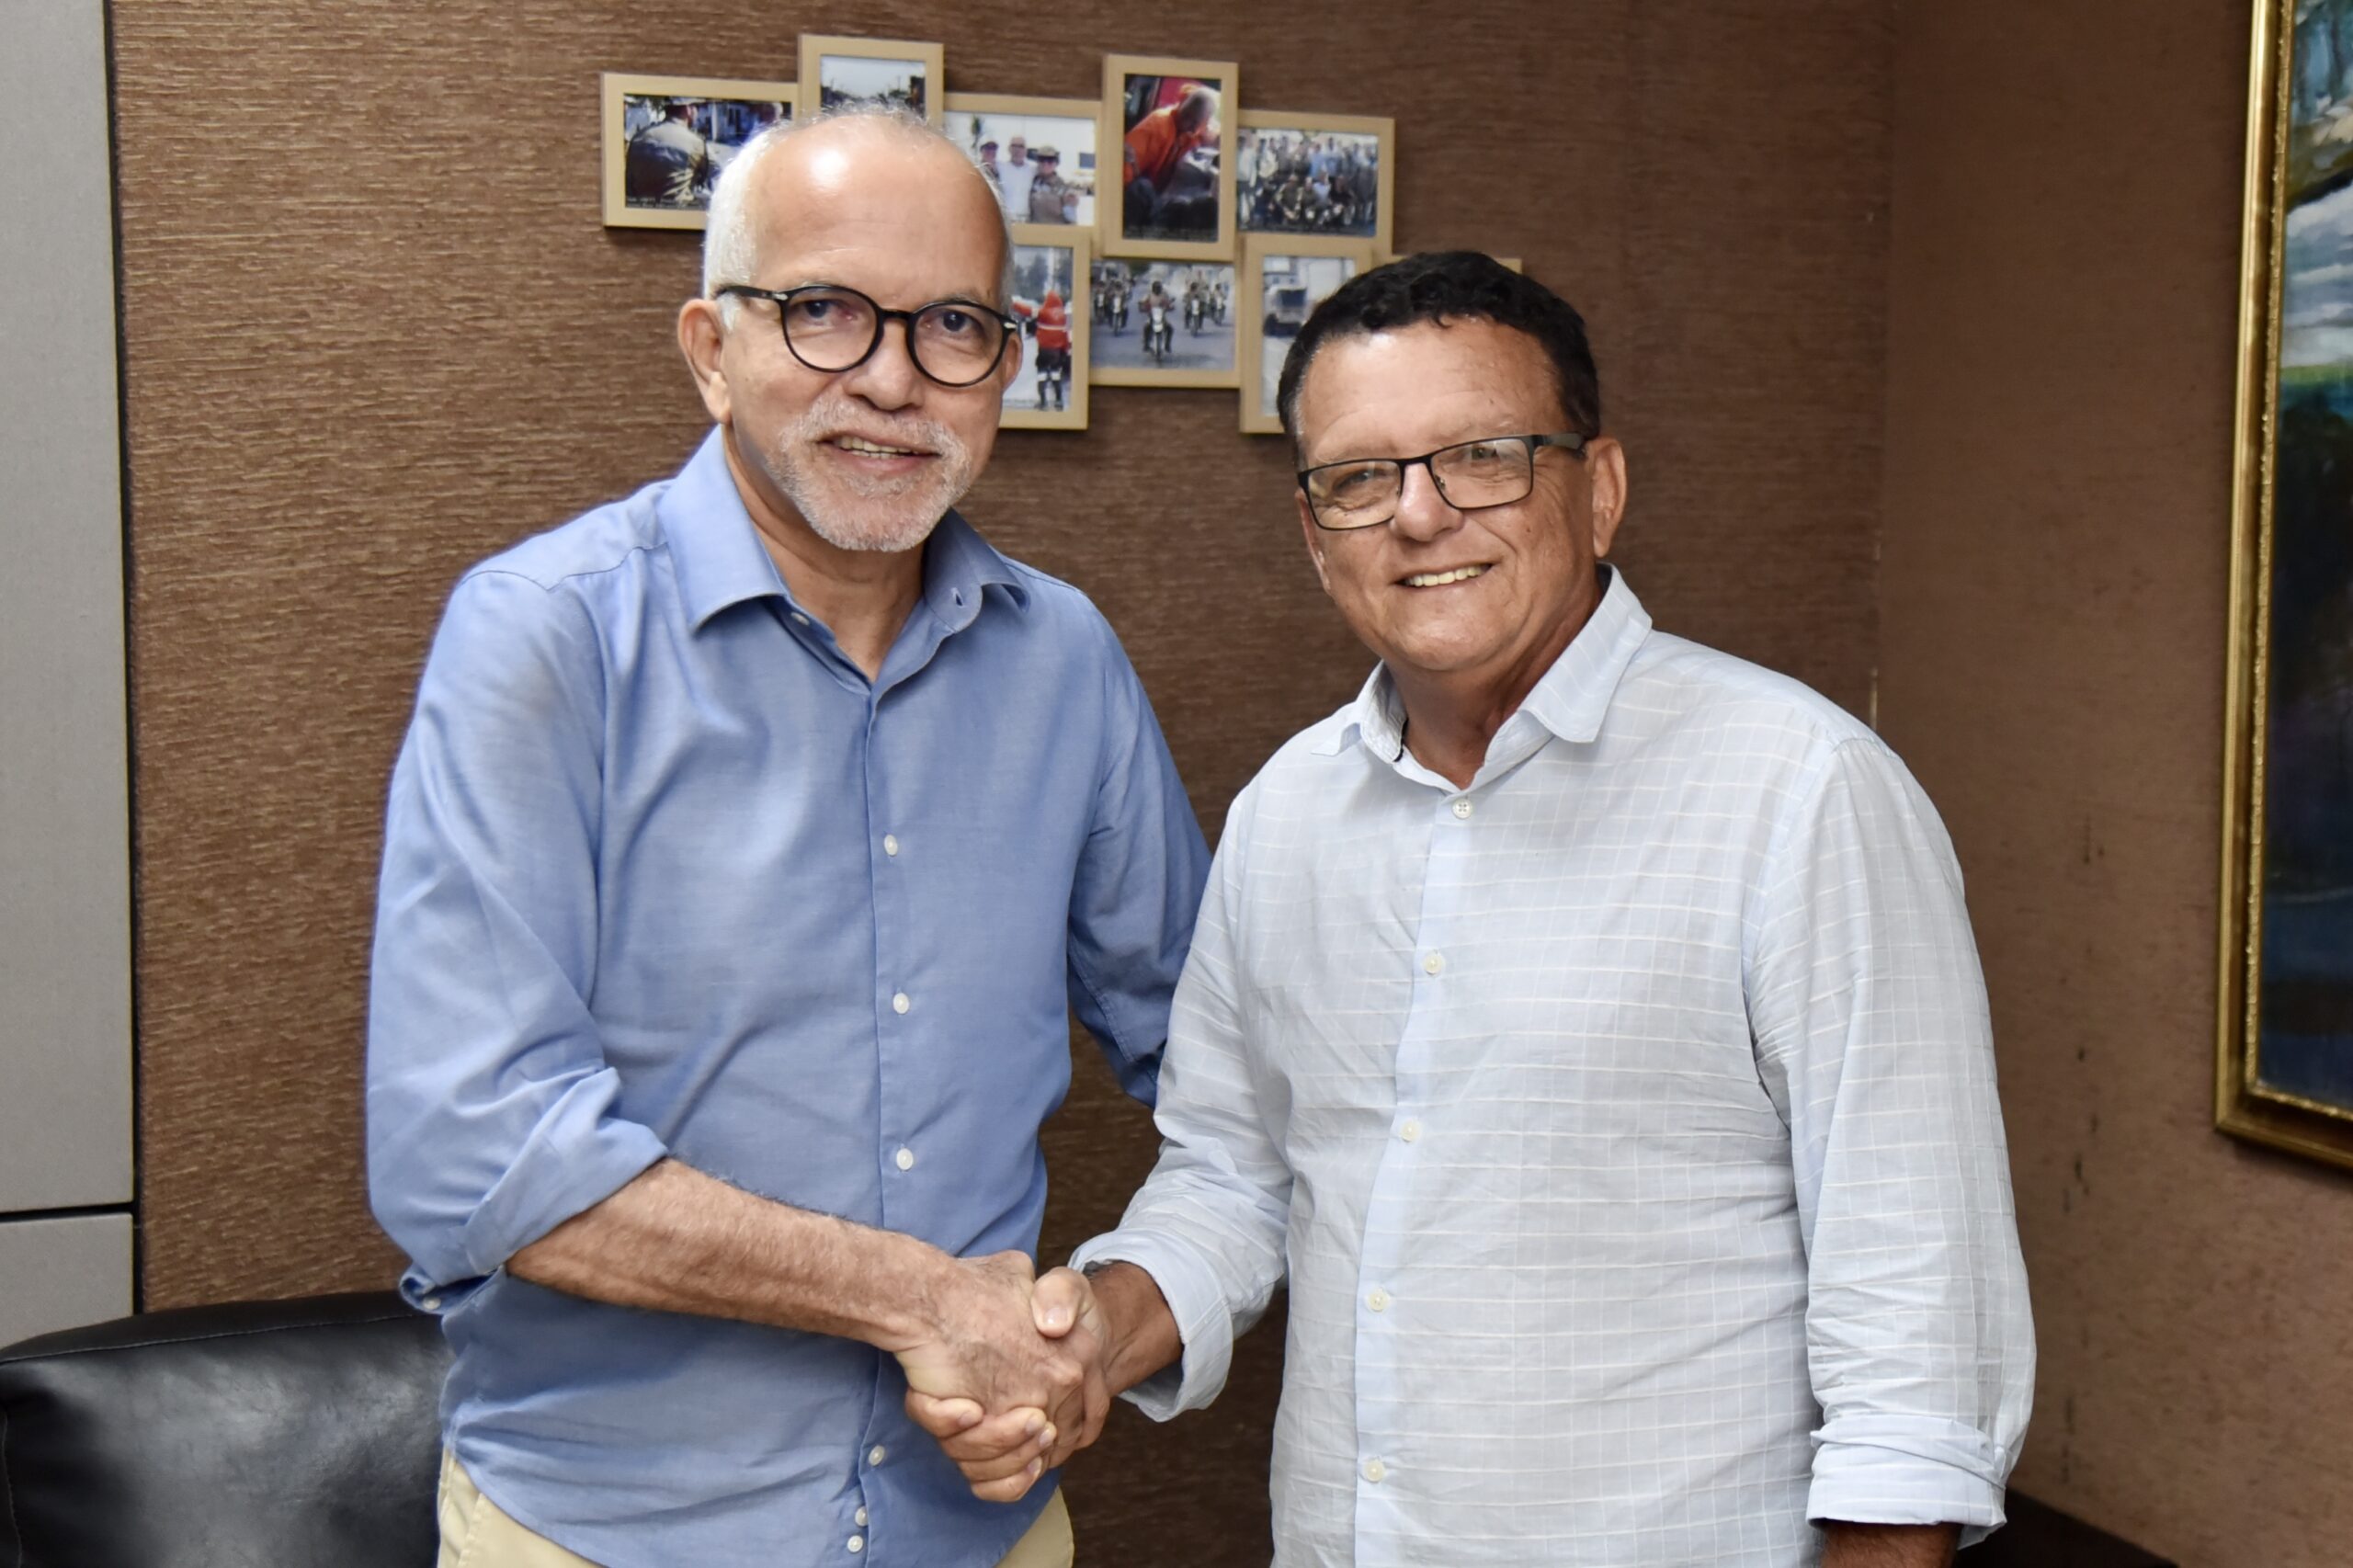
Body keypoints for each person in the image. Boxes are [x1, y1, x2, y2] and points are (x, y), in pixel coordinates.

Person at [914, 251, 2035, 1567]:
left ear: (1599, 489)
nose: (1420, 515)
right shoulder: (1287, 814)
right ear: (1315, 533)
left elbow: (1915, 1313)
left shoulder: (1802, 791)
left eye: (1483, 458)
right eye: (1359, 477)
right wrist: (1094, 1332)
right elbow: (1232, 1176)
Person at [369, 105, 1210, 1568]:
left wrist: (1104, 1326)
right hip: (611, 1538)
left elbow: (1224, 1069)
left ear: (1003, 366)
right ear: (712, 348)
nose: (892, 379)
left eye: (954, 326)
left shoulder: (1066, 659)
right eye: (824, 311)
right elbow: (470, 1147)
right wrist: (920, 1299)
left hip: (982, 1530)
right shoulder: (547, 637)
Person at [1122, 85, 1218, 233]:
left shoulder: (1193, 133)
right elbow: (1123, 167)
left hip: (1161, 200)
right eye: (1192, 121)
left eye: (1199, 124)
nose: (1194, 129)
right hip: (1139, 198)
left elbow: (1213, 137)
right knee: (1142, 187)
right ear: (1184, 110)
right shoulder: (1156, 125)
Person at [625, 97, 716, 208]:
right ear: (688, 109)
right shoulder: (695, 142)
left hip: (639, 210)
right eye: (696, 107)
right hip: (677, 212)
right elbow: (718, 175)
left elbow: (628, 183)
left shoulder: (638, 137)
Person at [1009, 284, 1072, 410]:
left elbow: (1026, 311)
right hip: (1057, 352)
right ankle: (1059, 401)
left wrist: (1013, 304)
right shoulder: (1063, 316)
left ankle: (1043, 402)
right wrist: (1066, 351)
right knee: (1055, 375)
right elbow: (1065, 336)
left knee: (1041, 375)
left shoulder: (1043, 312)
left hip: (1044, 351)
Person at [1023, 145, 1078, 224]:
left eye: (1050, 160)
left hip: (1055, 230)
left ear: (1056, 163)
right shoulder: (1032, 183)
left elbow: (1071, 219)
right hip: (1034, 229)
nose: (1046, 163)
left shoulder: (1064, 188)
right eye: (1042, 159)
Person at [996, 132, 1038, 223]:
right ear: (1009, 149)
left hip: (1025, 219)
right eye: (1014, 146)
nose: (1017, 150)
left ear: (1026, 150)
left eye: (1021, 146)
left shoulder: (1033, 170)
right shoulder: (1000, 167)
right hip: (1005, 219)